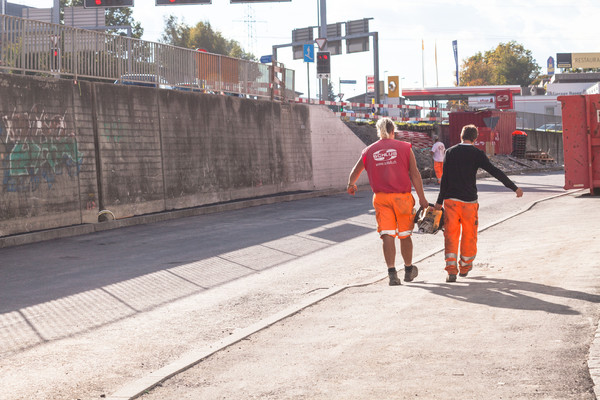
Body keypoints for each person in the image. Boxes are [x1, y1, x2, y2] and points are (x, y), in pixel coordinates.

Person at [434, 124, 524, 283]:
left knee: (451, 235)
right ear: (475, 139)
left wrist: (439, 202)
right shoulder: (477, 154)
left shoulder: (450, 152)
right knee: (469, 234)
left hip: (451, 201)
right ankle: (465, 266)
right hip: (469, 202)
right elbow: (495, 171)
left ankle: (451, 271)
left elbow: (445, 179)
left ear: (461, 136)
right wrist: (514, 187)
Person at [347, 117, 429, 286]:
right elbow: (415, 174)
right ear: (393, 131)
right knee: (405, 235)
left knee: (387, 234)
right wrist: (422, 198)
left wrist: (351, 184)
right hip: (402, 198)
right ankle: (408, 270)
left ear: (379, 132)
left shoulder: (368, 151)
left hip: (381, 198)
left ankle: (392, 273)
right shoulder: (405, 148)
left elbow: (355, 171)